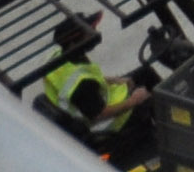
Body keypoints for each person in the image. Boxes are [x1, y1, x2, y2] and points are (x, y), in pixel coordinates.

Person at [36, 15, 130, 147]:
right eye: (88, 33)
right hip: (103, 124)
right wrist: (135, 100)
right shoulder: (82, 85)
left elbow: (84, 77)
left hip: (88, 103)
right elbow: (99, 114)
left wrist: (114, 80)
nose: (95, 33)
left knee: (140, 76)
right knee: (149, 95)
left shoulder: (57, 56)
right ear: (73, 43)